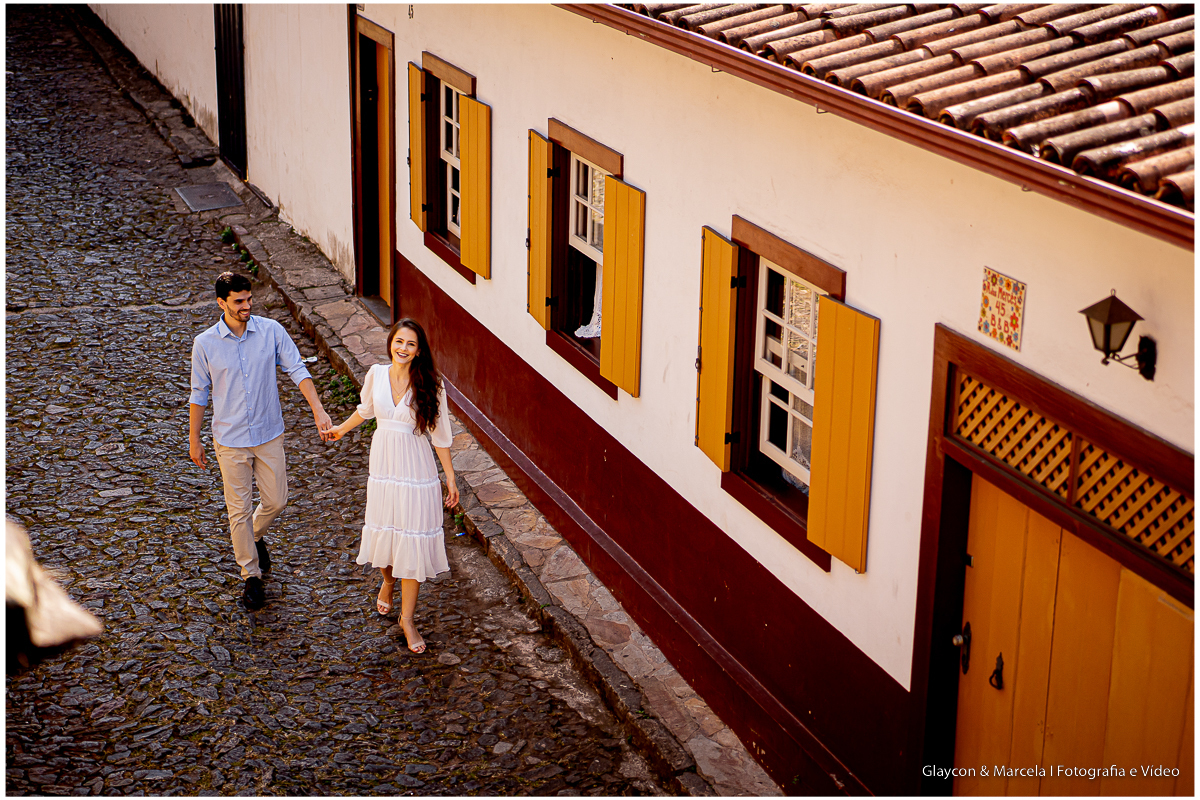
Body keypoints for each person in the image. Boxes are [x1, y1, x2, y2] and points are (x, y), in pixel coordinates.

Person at [189, 272, 332, 611]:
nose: (246, 306)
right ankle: (250, 576)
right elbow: (199, 393)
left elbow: (298, 369)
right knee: (237, 510)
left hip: (269, 433)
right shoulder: (205, 344)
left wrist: (318, 410)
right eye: (238, 301)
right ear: (221, 303)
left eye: (249, 299)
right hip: (230, 439)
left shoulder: (271, 332)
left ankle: (254, 536)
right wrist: (194, 440)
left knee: (277, 499)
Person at [325, 318, 459, 654]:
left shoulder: (431, 385)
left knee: (411, 540)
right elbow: (366, 411)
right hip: (384, 469)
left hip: (416, 471)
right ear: (391, 343)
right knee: (385, 532)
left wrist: (451, 478)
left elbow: (439, 437)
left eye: (410, 344)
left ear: (418, 351)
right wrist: (341, 429)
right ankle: (387, 582)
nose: (403, 348)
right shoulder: (375, 375)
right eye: (399, 341)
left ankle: (407, 618)